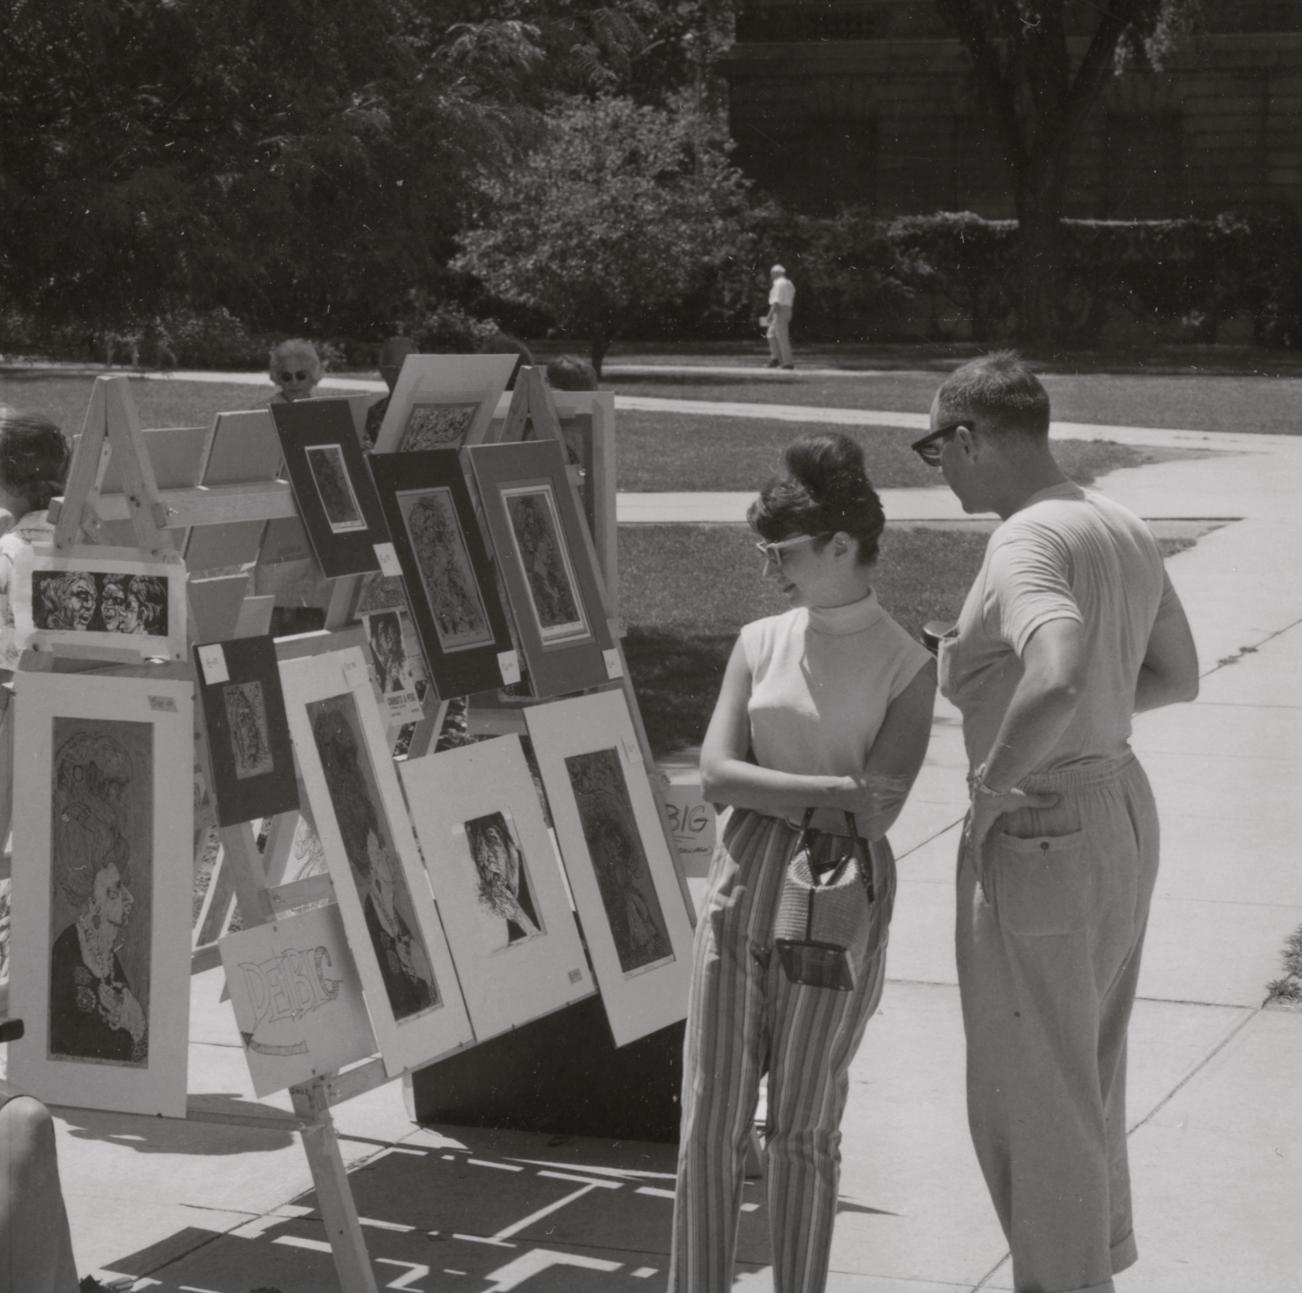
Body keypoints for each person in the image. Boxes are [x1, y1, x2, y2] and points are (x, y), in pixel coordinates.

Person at [918, 352, 1200, 1293]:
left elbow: (1060, 670)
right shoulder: (1116, 521)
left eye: (935, 449)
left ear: (968, 438)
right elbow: (1175, 675)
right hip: (1116, 805)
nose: (940, 469)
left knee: (1031, 1097)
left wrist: (996, 777)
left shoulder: (1024, 541)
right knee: (1082, 1077)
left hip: (1042, 824)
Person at [671, 432, 936, 1293]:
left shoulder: (907, 664)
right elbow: (716, 774)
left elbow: (880, 809)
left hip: (839, 888)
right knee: (710, 1115)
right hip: (744, 871)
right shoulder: (758, 641)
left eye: (781, 551)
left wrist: (779, 789)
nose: (769, 569)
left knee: (804, 1124)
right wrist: (831, 789)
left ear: (841, 544)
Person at [364, 335, 417, 446]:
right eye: (394, 369)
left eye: (409, 367)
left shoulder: (436, 411)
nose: (401, 374)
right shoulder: (373, 415)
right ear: (382, 371)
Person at [266, 338, 323, 404]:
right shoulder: (263, 408)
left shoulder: (323, 407)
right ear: (277, 378)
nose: (294, 382)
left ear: (313, 376)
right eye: (286, 377)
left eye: (301, 376)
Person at [763, 264, 796, 370]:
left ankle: (788, 363)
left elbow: (776, 302)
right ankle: (775, 358)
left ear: (776, 273)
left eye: (772, 273)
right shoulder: (789, 283)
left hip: (780, 311)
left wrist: (769, 315)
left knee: (782, 338)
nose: (771, 276)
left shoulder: (778, 284)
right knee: (771, 334)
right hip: (788, 310)